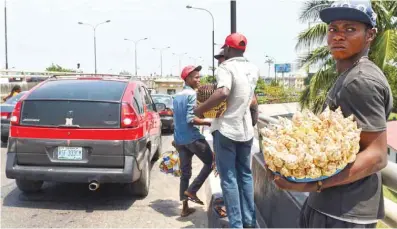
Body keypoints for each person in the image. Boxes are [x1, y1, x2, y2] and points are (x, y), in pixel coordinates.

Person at [271, 1, 393, 228]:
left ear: (370, 35)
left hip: (343, 213)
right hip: (333, 206)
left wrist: (310, 185)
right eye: (333, 29)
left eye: (350, 29)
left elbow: (377, 156)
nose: (338, 36)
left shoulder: (361, 80)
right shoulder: (350, 74)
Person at [194, 33, 259, 228]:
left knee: (229, 179)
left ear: (228, 50)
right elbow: (252, 100)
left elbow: (223, 92)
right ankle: (249, 221)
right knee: (245, 176)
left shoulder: (226, 67)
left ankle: (236, 225)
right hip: (246, 129)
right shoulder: (253, 68)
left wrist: (200, 109)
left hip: (226, 129)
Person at [173, 65, 214, 217]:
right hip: (193, 138)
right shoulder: (191, 94)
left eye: (199, 76)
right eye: (196, 77)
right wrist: (208, 122)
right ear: (188, 79)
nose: (199, 80)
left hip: (180, 140)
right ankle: (192, 190)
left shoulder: (177, 96)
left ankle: (184, 208)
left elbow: (178, 118)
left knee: (185, 174)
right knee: (211, 162)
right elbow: (191, 119)